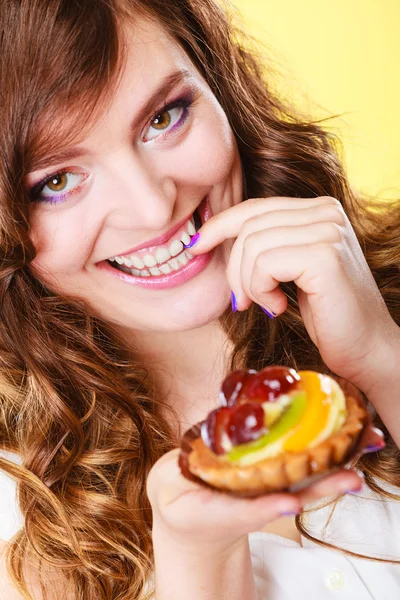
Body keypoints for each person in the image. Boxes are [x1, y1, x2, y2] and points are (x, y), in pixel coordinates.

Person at [0, 0, 399, 598]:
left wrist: (381, 357)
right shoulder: (17, 509)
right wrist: (198, 560)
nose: (153, 207)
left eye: (164, 117)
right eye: (56, 182)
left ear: (218, 84)